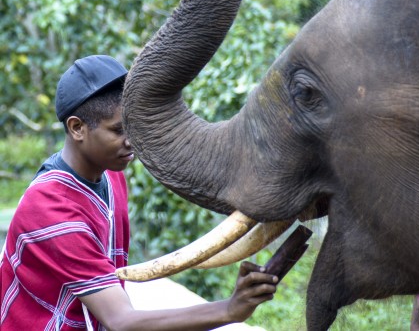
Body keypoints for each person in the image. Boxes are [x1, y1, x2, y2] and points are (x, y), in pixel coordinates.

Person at [0, 55, 278, 330]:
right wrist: (228, 310)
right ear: (77, 128)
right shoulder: (50, 208)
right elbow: (121, 321)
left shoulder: (111, 176)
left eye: (133, 127)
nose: (132, 141)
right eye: (119, 130)